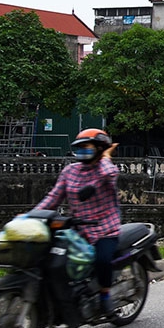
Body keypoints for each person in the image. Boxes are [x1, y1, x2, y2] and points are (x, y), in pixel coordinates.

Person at [33, 128, 122, 316]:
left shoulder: (106, 169)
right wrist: (30, 215)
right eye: (79, 147)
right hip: (78, 230)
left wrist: (106, 157)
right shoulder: (70, 171)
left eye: (86, 147)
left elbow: (110, 174)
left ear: (99, 148)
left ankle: (105, 295)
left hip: (104, 229)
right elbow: (53, 197)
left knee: (102, 259)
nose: (82, 151)